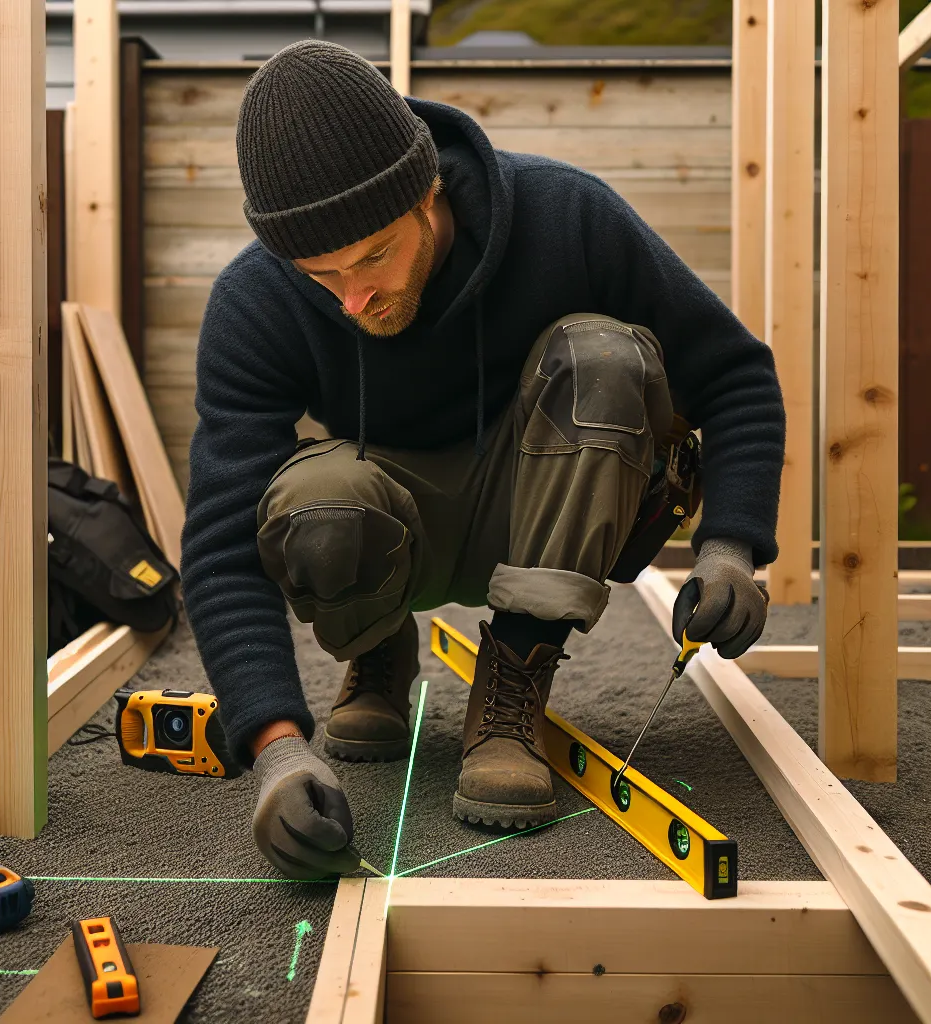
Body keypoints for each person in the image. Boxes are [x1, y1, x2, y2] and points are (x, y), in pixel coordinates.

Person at [182, 40, 784, 879]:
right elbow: (217, 541)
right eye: (322, 275)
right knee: (312, 505)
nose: (353, 299)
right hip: (394, 530)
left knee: (605, 357)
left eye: (373, 256)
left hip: (543, 507)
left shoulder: (567, 217)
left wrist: (733, 546)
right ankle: (378, 648)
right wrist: (274, 747)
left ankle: (515, 681)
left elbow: (736, 374)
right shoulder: (256, 300)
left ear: (427, 190)